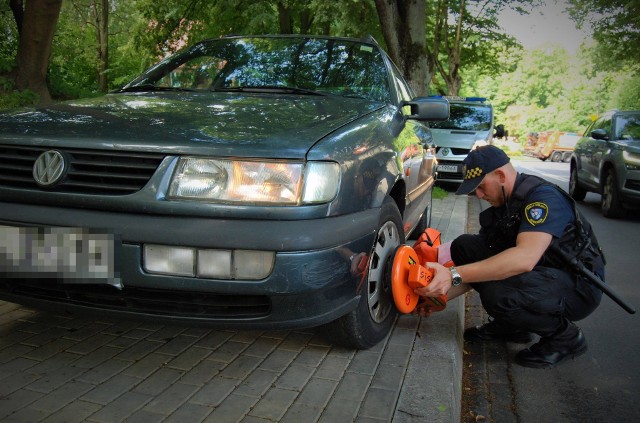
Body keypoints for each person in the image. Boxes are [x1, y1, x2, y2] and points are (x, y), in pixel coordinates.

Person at [416, 145, 604, 368]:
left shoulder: (543, 200)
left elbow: (524, 259)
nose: (478, 195)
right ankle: (513, 326)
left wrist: (451, 275)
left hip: (578, 286)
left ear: (501, 175)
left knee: (499, 294)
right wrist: (437, 296)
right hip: (543, 275)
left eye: (481, 187)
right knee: (465, 247)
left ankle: (566, 338)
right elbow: (478, 267)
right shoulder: (504, 204)